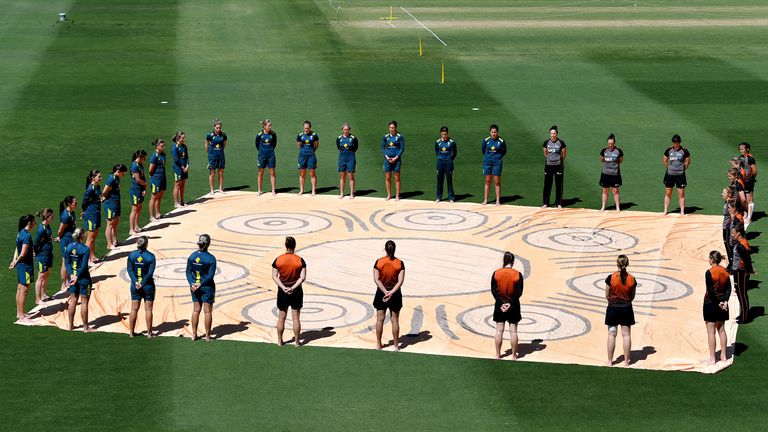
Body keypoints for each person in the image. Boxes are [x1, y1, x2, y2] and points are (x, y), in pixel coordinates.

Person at [271, 236, 307, 346]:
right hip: (296, 291)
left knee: (282, 317)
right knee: (296, 317)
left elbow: (274, 276)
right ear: (294, 246)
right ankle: (296, 341)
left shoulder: (278, 259)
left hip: (283, 291)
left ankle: (279, 341)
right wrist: (293, 287)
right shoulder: (300, 260)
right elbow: (302, 277)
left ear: (286, 246)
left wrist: (283, 287)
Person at [605, 254, 637, 366]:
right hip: (626, 308)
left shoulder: (611, 277)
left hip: (613, 308)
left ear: (617, 263)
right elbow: (633, 296)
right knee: (626, 335)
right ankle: (627, 361)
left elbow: (607, 295)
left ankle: (610, 361)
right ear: (627, 264)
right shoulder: (632, 278)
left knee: (611, 334)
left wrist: (612, 301)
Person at [373, 240, 405, 350]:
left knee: (379, 320)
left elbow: (376, 279)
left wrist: (385, 292)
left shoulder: (379, 262)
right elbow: (400, 282)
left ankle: (378, 344)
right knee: (395, 320)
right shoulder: (399, 263)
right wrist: (391, 292)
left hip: (381, 293)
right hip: (395, 294)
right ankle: (396, 346)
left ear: (385, 249)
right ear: (394, 249)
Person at [491, 251, 523, 360]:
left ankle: (498, 354)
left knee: (499, 330)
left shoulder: (496, 273)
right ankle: (514, 355)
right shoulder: (517, 274)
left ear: (504, 260)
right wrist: (509, 304)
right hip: (513, 306)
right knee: (513, 331)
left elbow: (494, 291)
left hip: (500, 306)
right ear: (512, 261)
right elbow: (519, 293)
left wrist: (501, 303)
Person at [186, 234, 216, 341]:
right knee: (207, 311)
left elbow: (188, 272)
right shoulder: (211, 258)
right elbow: (210, 275)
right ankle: (207, 336)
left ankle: (194, 334)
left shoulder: (192, 256)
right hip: (206, 287)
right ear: (208, 244)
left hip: (194, 287)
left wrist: (192, 283)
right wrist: (201, 284)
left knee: (196, 310)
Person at [703, 250, 731, 365]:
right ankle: (724, 355)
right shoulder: (725, 271)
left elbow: (710, 291)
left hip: (711, 303)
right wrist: (724, 301)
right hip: (723, 304)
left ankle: (712, 358)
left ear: (712, 259)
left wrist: (718, 302)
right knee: (721, 329)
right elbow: (728, 288)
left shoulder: (709, 272)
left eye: (709, 258)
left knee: (711, 331)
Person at [126, 236, 156, 338]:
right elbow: (150, 273)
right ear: (146, 244)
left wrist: (136, 282)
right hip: (147, 285)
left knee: (134, 309)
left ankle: (131, 332)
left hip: (135, 286)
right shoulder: (151, 257)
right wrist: (142, 283)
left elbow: (129, 270)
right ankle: (149, 333)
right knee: (148, 310)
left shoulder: (132, 255)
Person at [64, 228, 93, 332]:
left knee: (73, 300)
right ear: (82, 236)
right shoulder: (85, 249)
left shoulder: (69, 247)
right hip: (83, 279)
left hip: (72, 278)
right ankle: (85, 327)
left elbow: (67, 263)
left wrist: (72, 275)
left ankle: (70, 326)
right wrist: (77, 276)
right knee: (84, 302)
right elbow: (84, 266)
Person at [9, 214, 36, 322]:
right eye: (34, 221)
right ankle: (22, 316)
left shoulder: (20, 233)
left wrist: (14, 260)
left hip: (21, 265)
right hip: (26, 266)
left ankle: (19, 312)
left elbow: (17, 249)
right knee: (24, 290)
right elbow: (23, 253)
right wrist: (16, 261)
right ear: (29, 223)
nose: (35, 223)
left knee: (20, 289)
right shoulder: (27, 236)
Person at [663, 134, 691, 216]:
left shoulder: (684, 151)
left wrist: (682, 169)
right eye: (675, 142)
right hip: (670, 174)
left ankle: (682, 211)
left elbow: (688, 161)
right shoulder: (669, 150)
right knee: (668, 192)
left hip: (680, 175)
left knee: (681, 193)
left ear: (679, 142)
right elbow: (664, 160)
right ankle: (665, 210)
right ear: (673, 142)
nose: (676, 144)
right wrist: (669, 168)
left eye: (677, 142)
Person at [731, 225, 754, 324]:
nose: (732, 235)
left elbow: (747, 259)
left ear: (738, 233)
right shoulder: (738, 244)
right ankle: (743, 314)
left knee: (742, 294)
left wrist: (750, 270)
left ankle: (745, 317)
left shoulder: (740, 246)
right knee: (740, 294)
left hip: (741, 273)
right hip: (738, 272)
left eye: (733, 233)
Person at [102, 164, 127, 250]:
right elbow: (104, 191)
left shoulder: (116, 178)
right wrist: (105, 197)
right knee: (110, 224)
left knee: (115, 223)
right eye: (123, 173)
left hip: (116, 203)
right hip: (110, 204)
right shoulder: (111, 178)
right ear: (118, 171)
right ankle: (109, 244)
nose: (124, 175)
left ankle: (115, 241)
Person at [55, 196, 77, 293]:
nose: (76, 204)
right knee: (65, 261)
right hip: (66, 240)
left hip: (71, 239)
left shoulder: (71, 213)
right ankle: (63, 284)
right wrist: (60, 237)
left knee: (70, 260)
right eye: (74, 202)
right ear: (69, 204)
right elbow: (60, 230)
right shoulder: (66, 215)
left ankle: (68, 280)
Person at [33, 208, 55, 304]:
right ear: (47, 217)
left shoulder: (47, 226)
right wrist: (36, 253)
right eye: (52, 216)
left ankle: (44, 294)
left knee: (46, 275)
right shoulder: (41, 229)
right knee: (41, 276)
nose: (53, 218)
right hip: (43, 256)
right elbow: (36, 243)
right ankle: (38, 299)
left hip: (48, 254)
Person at [542, 125, 566, 208]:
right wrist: (550, 159)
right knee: (547, 184)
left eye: (554, 133)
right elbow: (545, 153)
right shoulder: (546, 142)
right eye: (551, 133)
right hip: (549, 165)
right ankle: (546, 203)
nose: (553, 135)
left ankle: (559, 203)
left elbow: (563, 154)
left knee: (559, 184)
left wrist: (558, 161)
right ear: (549, 134)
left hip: (558, 165)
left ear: (557, 134)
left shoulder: (561, 143)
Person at [482, 124, 506, 206]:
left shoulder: (501, 141)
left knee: (497, 182)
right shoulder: (486, 141)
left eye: (495, 132)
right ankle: (485, 200)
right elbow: (483, 150)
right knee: (487, 181)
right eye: (492, 132)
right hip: (487, 163)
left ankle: (498, 201)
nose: (493, 134)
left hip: (497, 163)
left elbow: (504, 151)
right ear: (490, 132)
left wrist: (498, 158)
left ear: (497, 132)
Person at [82, 170, 102, 264]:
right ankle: (87, 260)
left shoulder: (98, 187)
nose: (101, 178)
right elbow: (84, 202)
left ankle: (92, 256)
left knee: (93, 238)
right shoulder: (90, 189)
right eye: (99, 177)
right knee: (89, 239)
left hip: (97, 213)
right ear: (93, 178)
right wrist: (84, 212)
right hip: (91, 215)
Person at [381, 120, 405, 201]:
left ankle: (397, 195)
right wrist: (387, 157)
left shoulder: (399, 137)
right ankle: (389, 195)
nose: (391, 129)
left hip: (396, 160)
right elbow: (382, 148)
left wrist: (396, 157)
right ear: (388, 128)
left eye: (393, 128)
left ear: (396, 128)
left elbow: (402, 148)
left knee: (397, 177)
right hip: (387, 160)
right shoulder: (386, 137)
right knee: (387, 177)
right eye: (390, 127)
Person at [599, 133, 623, 212]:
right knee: (605, 190)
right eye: (609, 143)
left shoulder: (618, 151)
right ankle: (603, 207)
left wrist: (614, 165)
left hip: (615, 174)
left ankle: (617, 207)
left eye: (612, 143)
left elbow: (620, 160)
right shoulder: (604, 150)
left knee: (615, 190)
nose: (610, 145)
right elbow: (602, 159)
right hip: (605, 173)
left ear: (614, 143)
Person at [255, 119, 278, 196]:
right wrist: (262, 151)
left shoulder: (273, 134)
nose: (270, 127)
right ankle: (259, 190)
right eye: (269, 125)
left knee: (272, 173)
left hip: (271, 155)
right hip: (262, 156)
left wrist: (269, 150)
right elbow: (257, 144)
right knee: (260, 173)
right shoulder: (259, 135)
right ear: (264, 126)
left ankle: (273, 190)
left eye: (271, 125)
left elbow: (274, 143)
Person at [435, 126, 457, 203]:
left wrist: (450, 159)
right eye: (442, 134)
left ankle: (451, 197)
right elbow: (436, 152)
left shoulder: (451, 142)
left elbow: (454, 153)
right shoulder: (438, 142)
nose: (443, 136)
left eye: (445, 134)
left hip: (448, 163)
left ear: (447, 133)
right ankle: (438, 197)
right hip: (440, 163)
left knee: (449, 180)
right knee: (439, 180)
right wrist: (441, 158)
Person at [296, 120, 319, 196]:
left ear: (310, 127)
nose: (306, 129)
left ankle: (313, 190)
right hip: (302, 156)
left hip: (311, 156)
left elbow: (316, 145)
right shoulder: (300, 135)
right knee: (302, 173)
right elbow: (299, 145)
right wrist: (303, 151)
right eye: (305, 128)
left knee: (312, 173)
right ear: (303, 127)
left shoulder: (314, 135)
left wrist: (312, 151)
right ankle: (301, 190)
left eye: (307, 128)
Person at [337, 122, 358, 199]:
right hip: (342, 159)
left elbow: (356, 147)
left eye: (347, 129)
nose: (346, 131)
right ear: (342, 129)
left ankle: (352, 193)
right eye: (344, 129)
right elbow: (339, 147)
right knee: (342, 176)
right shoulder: (339, 138)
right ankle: (342, 193)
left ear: (349, 130)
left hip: (351, 158)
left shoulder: (353, 138)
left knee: (350, 175)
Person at [129, 149, 148, 236]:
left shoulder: (140, 164)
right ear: (140, 157)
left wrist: (144, 188)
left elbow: (143, 176)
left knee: (139, 207)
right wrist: (146, 185)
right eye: (144, 158)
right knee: (134, 209)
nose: (145, 160)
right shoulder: (135, 166)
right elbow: (138, 180)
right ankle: (131, 229)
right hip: (135, 190)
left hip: (140, 189)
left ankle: (136, 226)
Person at [205, 119, 227, 194]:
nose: (218, 129)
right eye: (217, 128)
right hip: (212, 157)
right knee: (212, 173)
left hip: (221, 156)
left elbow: (224, 144)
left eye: (219, 128)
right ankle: (212, 189)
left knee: (221, 173)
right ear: (214, 127)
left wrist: (219, 150)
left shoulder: (223, 135)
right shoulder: (209, 135)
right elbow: (206, 144)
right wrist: (209, 154)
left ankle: (220, 188)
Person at [738, 142, 757, 226]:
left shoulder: (750, 158)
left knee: (749, 199)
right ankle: (745, 213)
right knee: (743, 199)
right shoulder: (740, 158)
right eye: (740, 149)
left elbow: (755, 171)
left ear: (747, 149)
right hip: (742, 180)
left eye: (742, 149)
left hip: (748, 181)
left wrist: (751, 178)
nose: (741, 150)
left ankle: (749, 217)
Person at [148, 139, 167, 221]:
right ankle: (151, 216)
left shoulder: (163, 154)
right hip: (156, 179)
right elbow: (150, 170)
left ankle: (158, 213)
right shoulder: (154, 156)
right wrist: (155, 176)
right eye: (162, 146)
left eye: (164, 146)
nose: (163, 147)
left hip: (162, 177)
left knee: (159, 196)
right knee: (154, 197)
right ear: (157, 146)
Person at [171, 131, 189, 207]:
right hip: (178, 169)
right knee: (177, 185)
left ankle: (182, 201)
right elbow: (176, 159)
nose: (184, 139)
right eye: (183, 138)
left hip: (185, 169)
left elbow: (187, 157)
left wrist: (187, 166)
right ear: (178, 138)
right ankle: (176, 203)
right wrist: (183, 167)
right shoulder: (175, 147)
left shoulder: (184, 146)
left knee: (183, 185)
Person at [721, 188, 736, 267]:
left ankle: (732, 264)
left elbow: (733, 216)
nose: (722, 194)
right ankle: (731, 262)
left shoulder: (730, 204)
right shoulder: (727, 202)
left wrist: (732, 228)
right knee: (727, 244)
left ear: (729, 194)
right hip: (726, 226)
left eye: (724, 193)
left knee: (728, 245)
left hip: (728, 227)